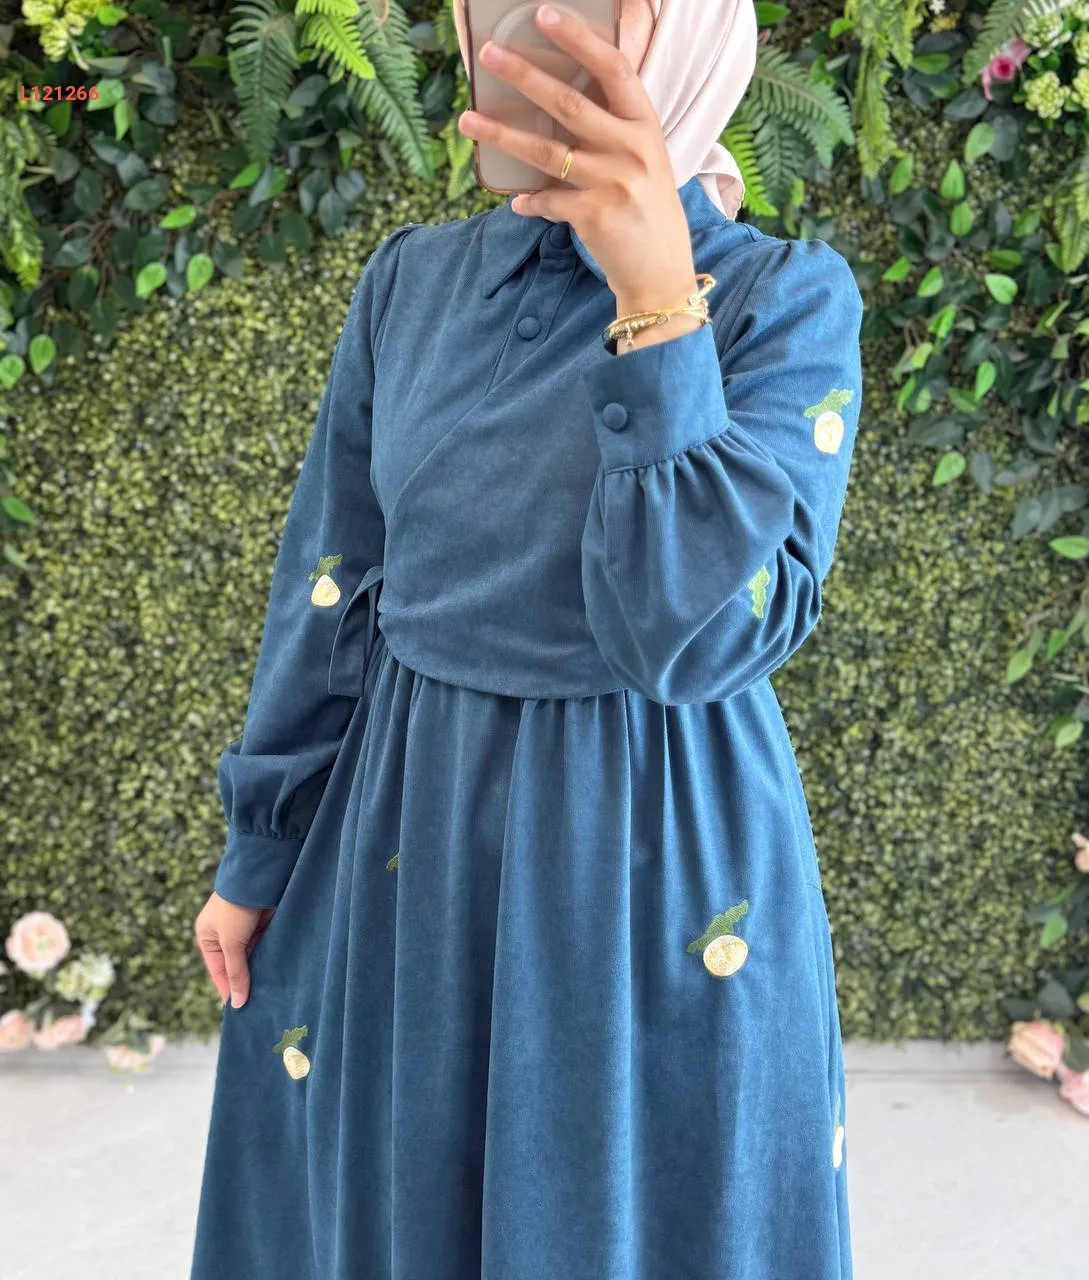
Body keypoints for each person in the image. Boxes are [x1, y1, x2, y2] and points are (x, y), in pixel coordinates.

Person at [189, 0, 863, 1276]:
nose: (522, 45)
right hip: (407, 838)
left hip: (653, 868)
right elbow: (333, 583)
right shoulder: (410, 282)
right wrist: (262, 843)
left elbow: (697, 636)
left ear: (683, 40)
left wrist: (658, 302)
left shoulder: (782, 301)